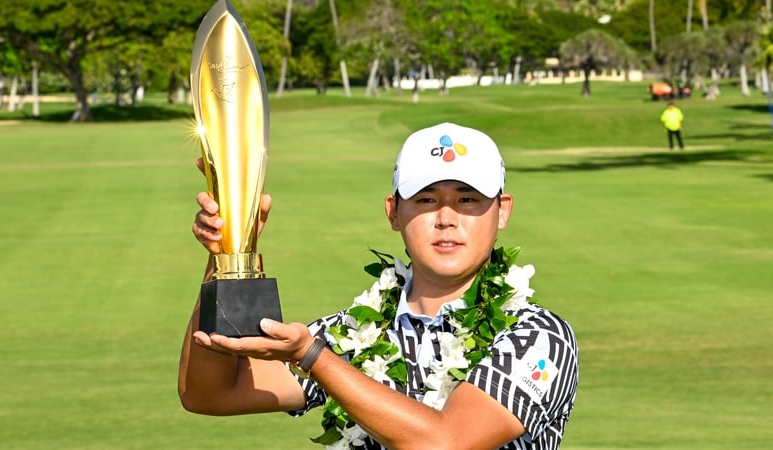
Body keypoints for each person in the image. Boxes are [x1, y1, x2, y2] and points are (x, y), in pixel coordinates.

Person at [179, 122, 579, 449]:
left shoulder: (539, 336)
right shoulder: (353, 334)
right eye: (425, 200)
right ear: (394, 212)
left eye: (468, 200)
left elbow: (448, 442)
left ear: (502, 210)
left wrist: (312, 356)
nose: (446, 218)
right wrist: (229, 254)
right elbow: (210, 394)